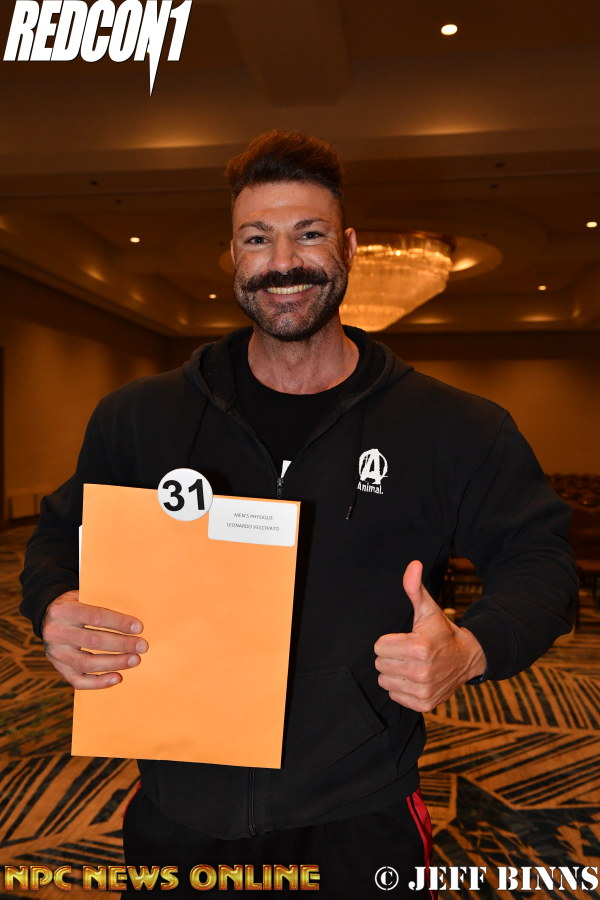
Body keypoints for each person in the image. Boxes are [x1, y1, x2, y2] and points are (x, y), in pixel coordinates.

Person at [21, 130, 577, 898]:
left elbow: (541, 561)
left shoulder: (453, 427)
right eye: (258, 238)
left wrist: (474, 648)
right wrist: (55, 605)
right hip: (179, 804)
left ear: (348, 248)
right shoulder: (141, 418)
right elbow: (60, 531)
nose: (283, 261)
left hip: (359, 811)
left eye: (309, 234)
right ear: (233, 256)